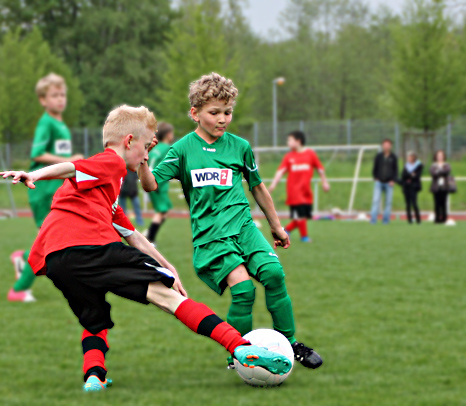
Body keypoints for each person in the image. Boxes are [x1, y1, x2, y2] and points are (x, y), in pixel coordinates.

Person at [0, 105, 292, 391]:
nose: (147, 157)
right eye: (145, 149)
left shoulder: (104, 190)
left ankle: (94, 376)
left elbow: (134, 236)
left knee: (94, 315)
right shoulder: (111, 162)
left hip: (56, 260)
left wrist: (167, 266)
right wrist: (34, 175)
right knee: (167, 298)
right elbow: (72, 168)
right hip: (91, 245)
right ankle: (241, 348)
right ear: (129, 142)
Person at [138, 73, 323, 370]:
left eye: (227, 112)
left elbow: (258, 187)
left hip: (244, 228)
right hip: (212, 238)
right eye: (214, 113)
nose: (223, 119)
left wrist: (277, 226)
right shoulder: (183, 149)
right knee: (244, 291)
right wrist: (143, 164)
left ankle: (289, 345)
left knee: (275, 275)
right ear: (195, 114)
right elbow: (151, 186)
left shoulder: (240, 147)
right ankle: (239, 354)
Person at [8, 73, 83, 303]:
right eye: (54, 95)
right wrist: (69, 159)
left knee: (54, 239)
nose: (60, 99)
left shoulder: (60, 124)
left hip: (55, 191)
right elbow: (37, 155)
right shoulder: (46, 123)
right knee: (48, 242)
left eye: (62, 94)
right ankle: (19, 290)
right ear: (43, 99)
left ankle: (23, 260)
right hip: (41, 191)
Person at [268, 131, 330, 242]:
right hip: (294, 191)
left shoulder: (310, 154)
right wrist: (273, 184)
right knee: (301, 215)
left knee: (304, 215)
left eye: (289, 140)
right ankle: (304, 237)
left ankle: (286, 230)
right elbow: (280, 171)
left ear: (298, 141)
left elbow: (320, 169)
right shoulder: (289, 157)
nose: (288, 143)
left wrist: (325, 182)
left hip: (306, 191)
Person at [145, 122, 175, 244]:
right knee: (162, 211)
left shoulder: (155, 148)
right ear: (168, 135)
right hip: (159, 184)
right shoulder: (167, 148)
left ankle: (148, 233)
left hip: (152, 181)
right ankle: (150, 239)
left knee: (165, 210)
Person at [370, 139, 398, 224]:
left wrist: (393, 180)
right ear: (382, 146)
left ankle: (385, 221)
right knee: (375, 201)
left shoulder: (393, 157)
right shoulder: (378, 156)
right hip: (379, 182)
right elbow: (375, 168)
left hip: (389, 183)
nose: (386, 146)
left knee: (388, 202)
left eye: (388, 145)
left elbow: (396, 170)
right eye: (384, 145)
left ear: (390, 146)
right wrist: (375, 177)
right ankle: (373, 220)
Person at [400, 151, 423, 224]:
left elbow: (417, 176)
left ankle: (418, 220)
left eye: (409, 156)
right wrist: (411, 175)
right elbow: (403, 175)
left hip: (414, 186)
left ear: (413, 157)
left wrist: (409, 176)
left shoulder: (419, 165)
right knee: (408, 204)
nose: (408, 158)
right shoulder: (406, 165)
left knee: (414, 203)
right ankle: (409, 220)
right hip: (406, 186)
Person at [429, 150, 451, 224]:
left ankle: (444, 219)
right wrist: (440, 172)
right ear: (436, 156)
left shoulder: (446, 164)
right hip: (436, 187)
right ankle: (437, 218)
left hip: (444, 186)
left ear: (443, 156)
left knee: (444, 203)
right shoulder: (433, 165)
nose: (440, 157)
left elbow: (447, 172)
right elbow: (433, 173)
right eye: (438, 155)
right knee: (436, 203)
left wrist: (438, 171)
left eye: (441, 155)